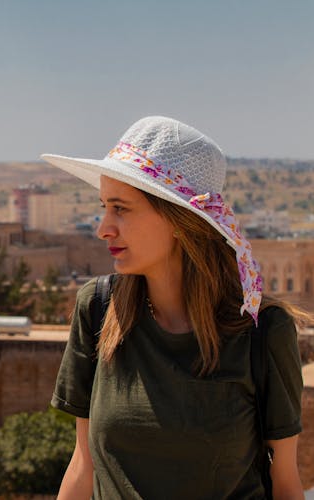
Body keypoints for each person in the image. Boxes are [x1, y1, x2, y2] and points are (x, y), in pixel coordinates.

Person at [41, 116, 311, 499]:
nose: (103, 228)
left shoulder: (262, 331)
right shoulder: (99, 310)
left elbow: (284, 482)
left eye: (121, 209)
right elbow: (83, 463)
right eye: (104, 207)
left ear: (179, 221)